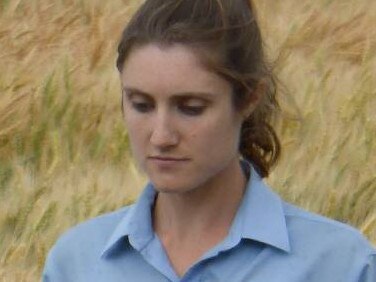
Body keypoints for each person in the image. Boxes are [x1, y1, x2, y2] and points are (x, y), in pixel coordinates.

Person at [42, 0, 375, 281]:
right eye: (141, 105)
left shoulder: (340, 264)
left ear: (248, 99)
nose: (161, 136)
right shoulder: (76, 263)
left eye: (191, 108)